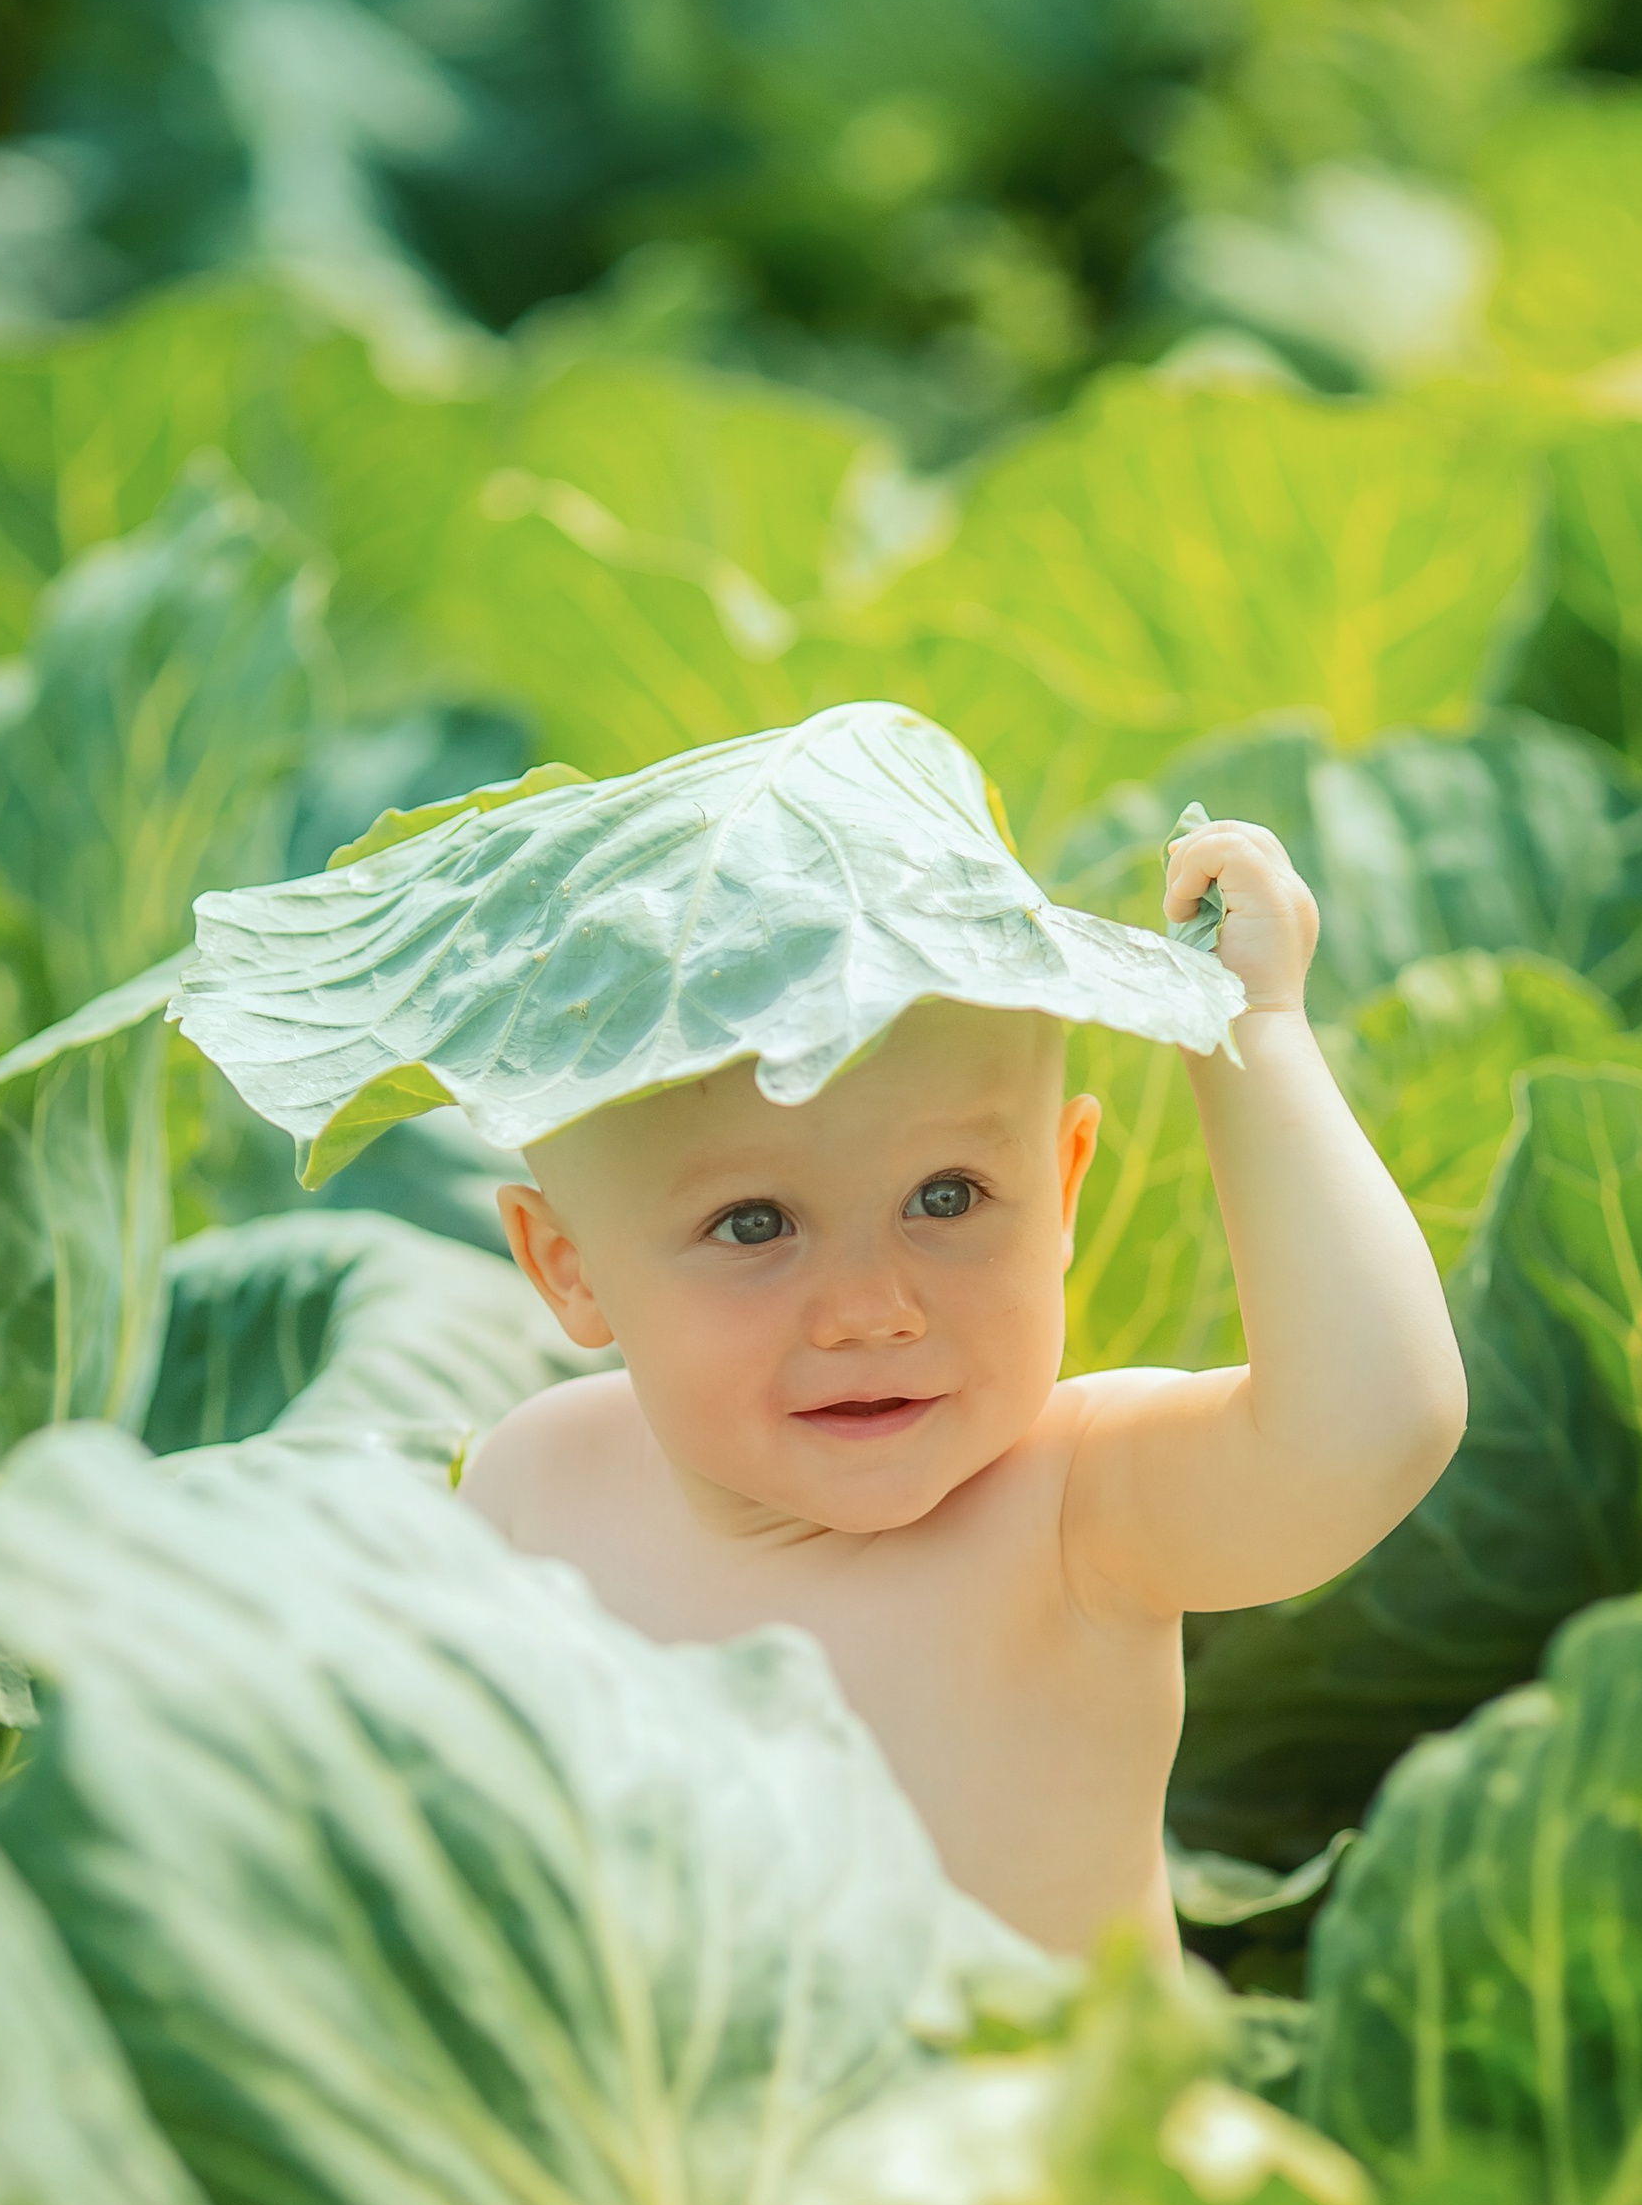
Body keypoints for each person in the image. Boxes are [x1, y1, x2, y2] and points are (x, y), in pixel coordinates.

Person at [459, 799, 1466, 1968]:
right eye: (753, 1224)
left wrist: (1258, 1030)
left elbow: (1375, 1427)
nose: (871, 1310)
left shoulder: (1076, 1507)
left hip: (1054, 2150)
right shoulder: (532, 1491)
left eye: (946, 1199)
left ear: (1063, 1186)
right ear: (566, 1268)